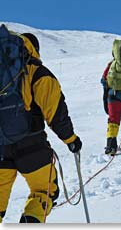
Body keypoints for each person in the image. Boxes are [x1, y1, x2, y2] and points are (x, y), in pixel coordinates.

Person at [0, 26, 82, 223]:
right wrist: (70, 139)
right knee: (44, 192)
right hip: (31, 145)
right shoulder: (37, 72)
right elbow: (55, 113)